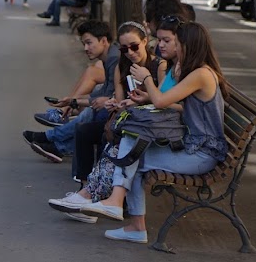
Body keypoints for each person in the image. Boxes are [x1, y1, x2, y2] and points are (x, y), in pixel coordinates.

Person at [80, 20, 228, 244]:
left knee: (134, 154)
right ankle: (126, 214)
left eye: (176, 43)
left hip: (202, 155)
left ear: (190, 45)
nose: (172, 48)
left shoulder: (201, 75)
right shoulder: (196, 72)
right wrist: (147, 97)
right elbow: (171, 103)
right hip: (193, 147)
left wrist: (147, 79)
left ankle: (123, 210)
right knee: (133, 149)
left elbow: (160, 101)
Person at [47, 21, 166, 221]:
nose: (130, 52)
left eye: (134, 46)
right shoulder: (122, 66)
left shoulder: (158, 66)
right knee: (85, 131)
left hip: (146, 127)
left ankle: (93, 198)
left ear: (145, 42)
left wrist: (143, 87)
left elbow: (161, 102)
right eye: (124, 48)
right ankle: (85, 190)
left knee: (110, 139)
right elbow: (120, 100)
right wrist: (115, 104)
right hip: (128, 121)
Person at [23, 20, 119, 162]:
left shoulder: (114, 58)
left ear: (104, 40)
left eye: (89, 43)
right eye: (84, 44)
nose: (86, 48)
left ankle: (51, 138)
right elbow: (105, 91)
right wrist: (74, 102)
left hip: (121, 107)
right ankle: (57, 146)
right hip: (114, 103)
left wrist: (77, 102)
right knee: (90, 108)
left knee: (91, 111)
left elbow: (108, 95)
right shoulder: (108, 57)